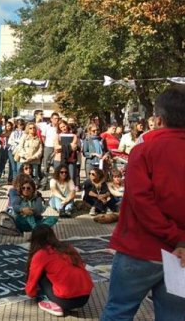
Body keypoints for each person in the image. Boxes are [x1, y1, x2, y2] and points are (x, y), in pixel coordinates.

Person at [102, 85, 185, 320]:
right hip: (180, 253)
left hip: (140, 249)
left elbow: (141, 202)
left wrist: (173, 236)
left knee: (118, 311)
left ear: (158, 119)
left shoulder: (144, 150)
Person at [26, 225, 93, 317]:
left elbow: (32, 283)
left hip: (65, 299)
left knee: (41, 276)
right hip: (85, 298)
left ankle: (50, 302)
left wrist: (33, 294)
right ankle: (68, 303)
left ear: (34, 240)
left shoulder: (41, 254)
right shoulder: (68, 247)